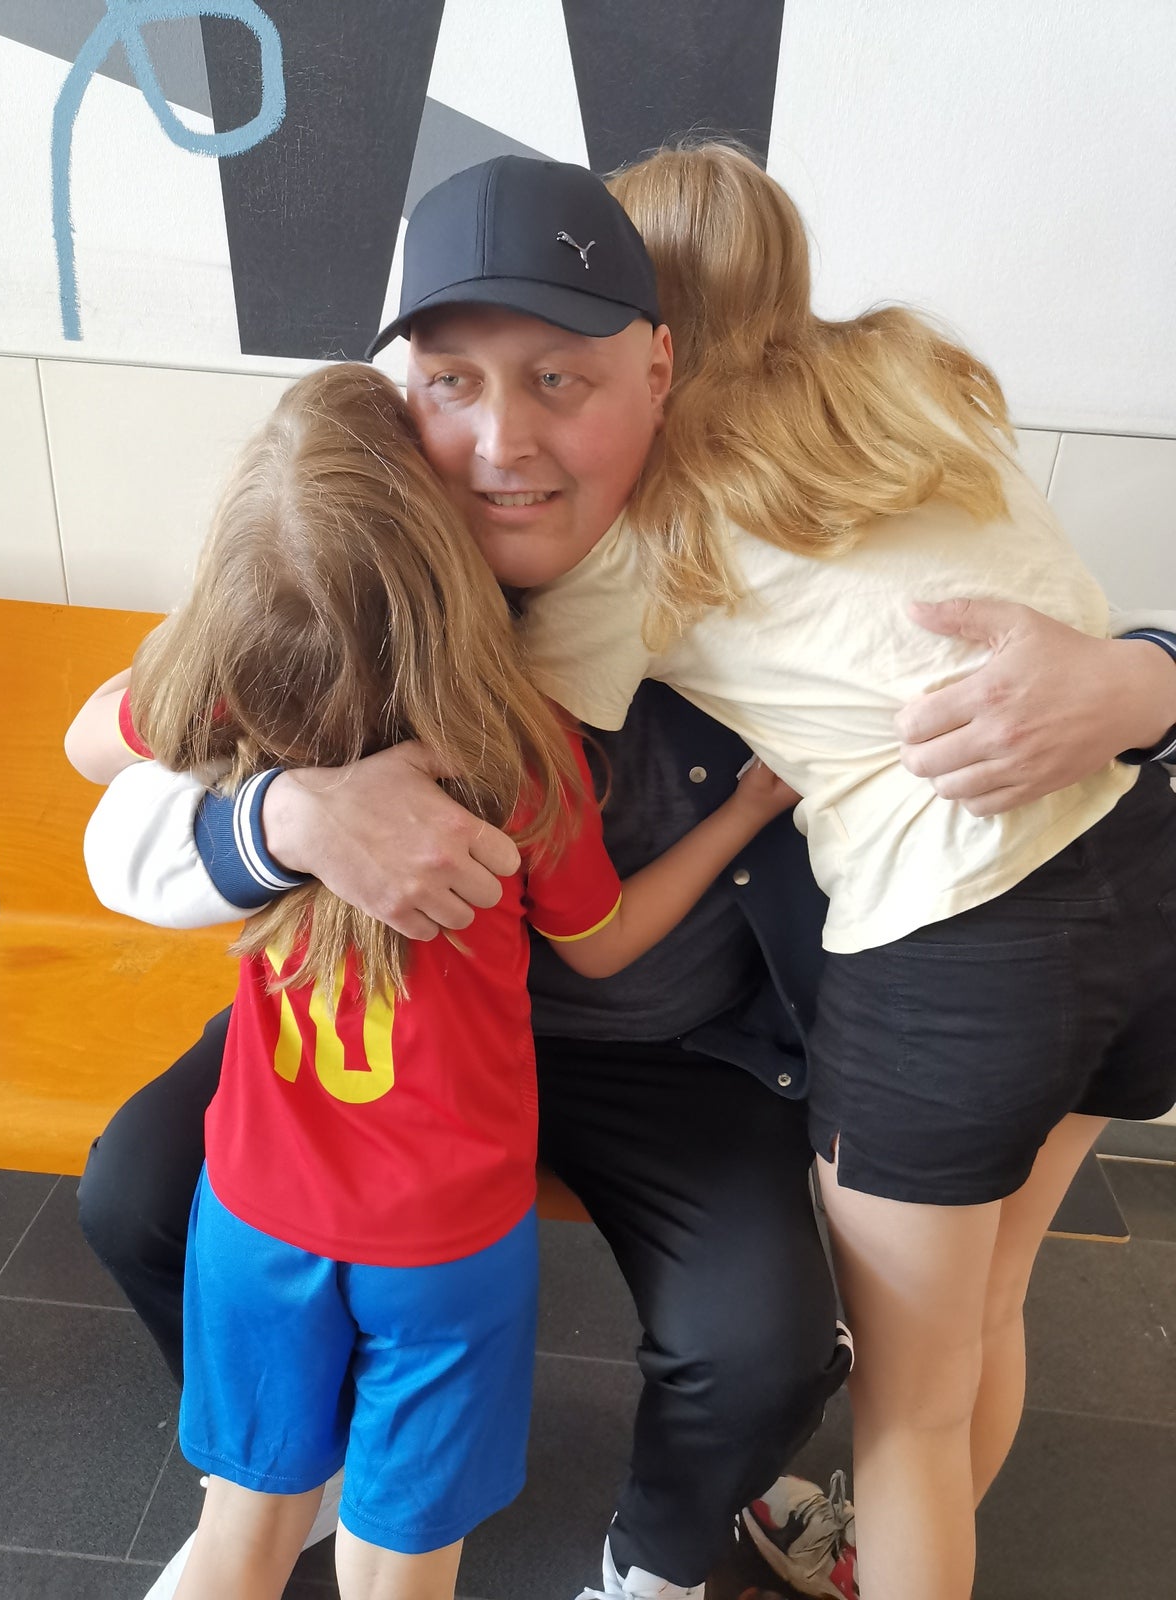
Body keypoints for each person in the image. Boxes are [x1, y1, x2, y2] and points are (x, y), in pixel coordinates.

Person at [73, 155, 1176, 1600]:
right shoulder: (375, 555)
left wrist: (1146, 678)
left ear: (665, 370)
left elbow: (1019, 636)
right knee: (138, 1187)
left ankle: (654, 1563)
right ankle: (289, 1455)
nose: (499, 440)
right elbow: (123, 775)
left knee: (768, 1342)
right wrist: (291, 815)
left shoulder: (766, 519)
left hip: (682, 1054)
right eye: (453, 384)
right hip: (388, 1017)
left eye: (559, 382)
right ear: (406, 392)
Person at [513, 141, 1176, 1600]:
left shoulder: (647, 521)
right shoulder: (921, 375)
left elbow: (510, 695)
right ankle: (872, 1560)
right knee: (993, 1306)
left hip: (959, 958)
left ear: (648, 328)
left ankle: (898, 1552)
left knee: (909, 1412)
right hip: (1143, 870)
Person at [67, 359, 801, 1600]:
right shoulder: (526, 750)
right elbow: (606, 945)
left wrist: (213, 685)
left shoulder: (235, 698)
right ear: (452, 559)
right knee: (399, 1556)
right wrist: (739, 817)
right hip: (445, 1236)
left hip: (253, 1210)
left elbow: (96, 738)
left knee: (240, 1529)